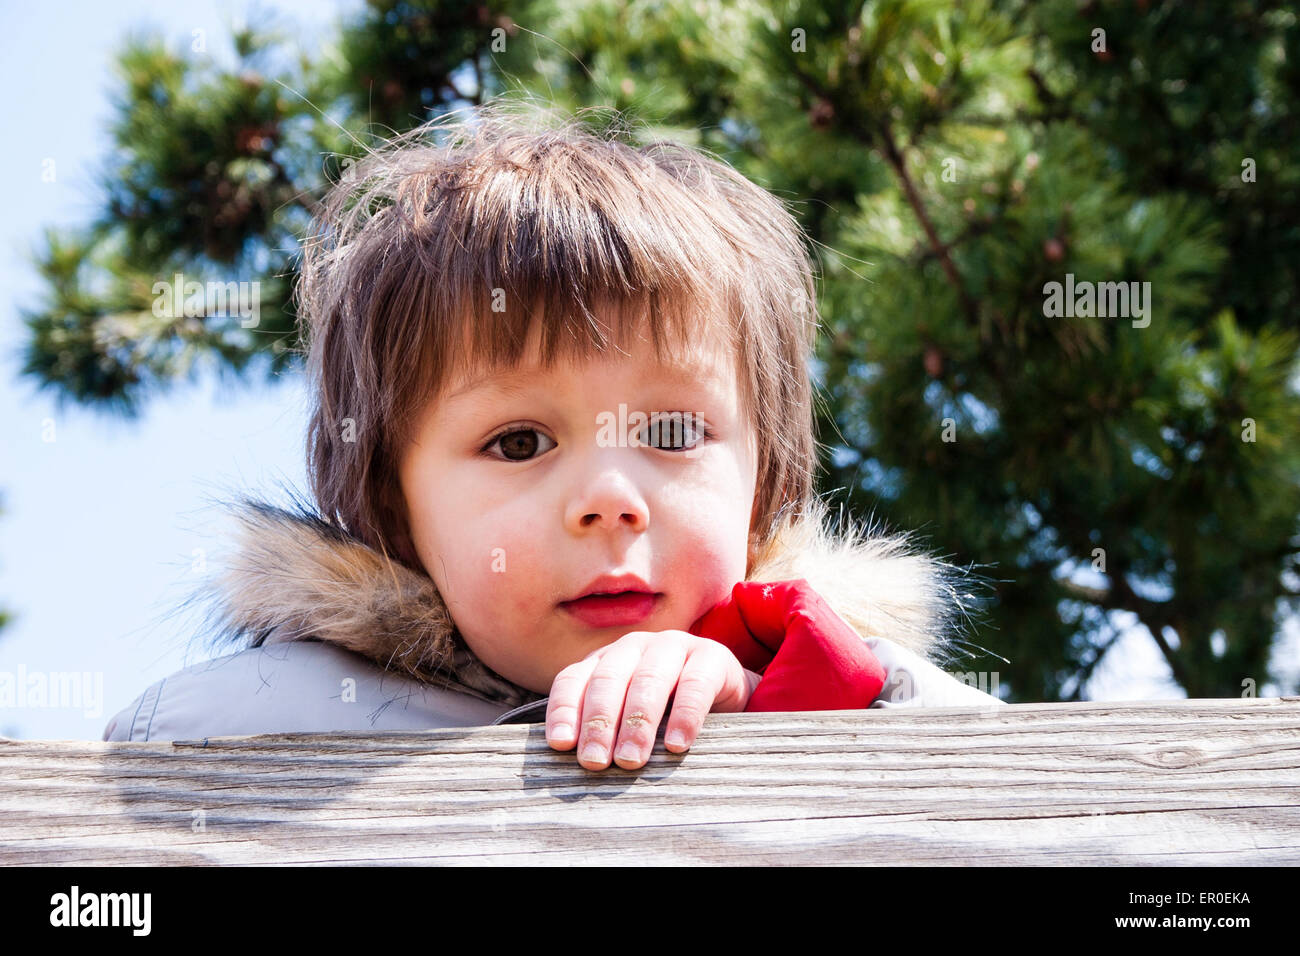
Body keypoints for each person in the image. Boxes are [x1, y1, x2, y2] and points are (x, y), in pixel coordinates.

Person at [103, 98, 1005, 767]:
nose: (609, 500)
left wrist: (773, 704)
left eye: (670, 429)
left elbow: (1002, 802)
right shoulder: (236, 732)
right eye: (520, 443)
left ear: (764, 482)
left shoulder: (859, 692)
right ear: (393, 505)